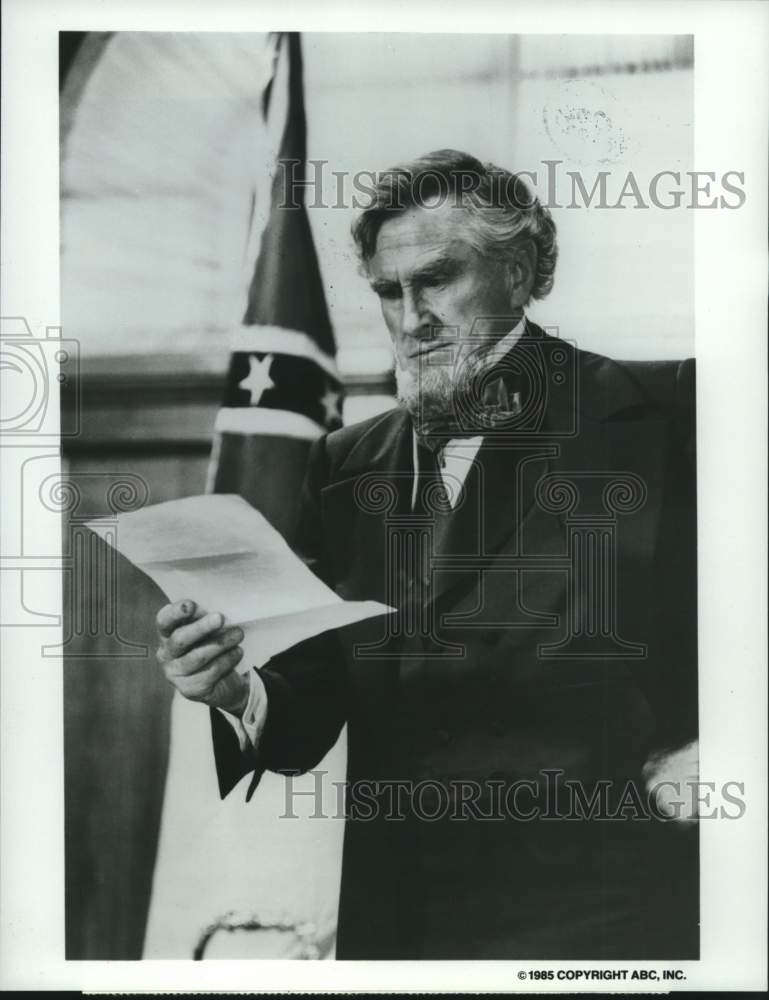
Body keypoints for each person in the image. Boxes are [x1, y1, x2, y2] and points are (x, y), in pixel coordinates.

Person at [155, 150, 698, 959]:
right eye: (388, 291)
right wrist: (238, 690)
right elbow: (313, 689)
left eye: (437, 280)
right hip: (398, 916)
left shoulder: (667, 413)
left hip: (605, 911)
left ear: (517, 274)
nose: (412, 317)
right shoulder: (345, 462)